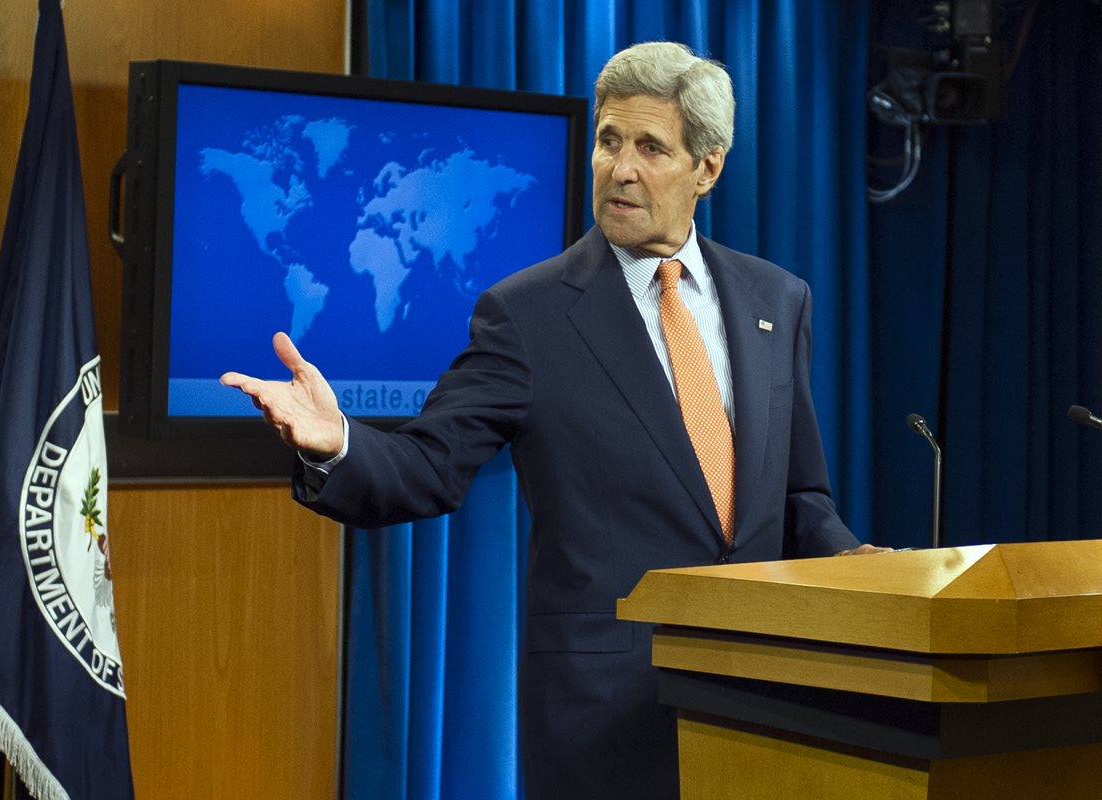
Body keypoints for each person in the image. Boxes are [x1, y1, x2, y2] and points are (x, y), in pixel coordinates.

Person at [221, 40, 887, 800]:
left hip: (765, 699)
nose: (621, 168)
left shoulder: (777, 299)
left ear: (708, 167)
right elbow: (429, 467)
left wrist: (849, 563)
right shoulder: (529, 313)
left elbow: (799, 497)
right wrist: (336, 443)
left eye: (650, 147)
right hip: (604, 716)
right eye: (609, 141)